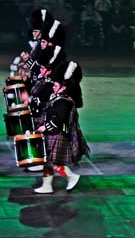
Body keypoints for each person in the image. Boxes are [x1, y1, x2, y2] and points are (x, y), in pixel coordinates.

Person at [33, 61, 89, 194]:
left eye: (56, 85)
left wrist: (44, 128)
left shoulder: (64, 102)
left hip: (58, 135)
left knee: (53, 163)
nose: (53, 87)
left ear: (63, 87)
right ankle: (47, 186)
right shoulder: (58, 98)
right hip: (53, 134)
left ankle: (72, 176)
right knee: (49, 162)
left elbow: (58, 120)